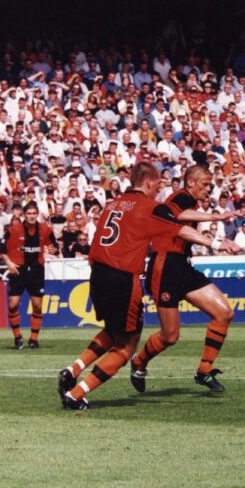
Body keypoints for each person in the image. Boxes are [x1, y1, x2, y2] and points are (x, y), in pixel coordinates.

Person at [56, 162, 223, 410]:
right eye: (157, 185)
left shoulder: (112, 205)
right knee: (126, 347)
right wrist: (214, 243)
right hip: (123, 277)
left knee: (114, 332)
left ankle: (72, 371)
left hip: (98, 274)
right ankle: (76, 394)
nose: (159, 190)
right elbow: (180, 228)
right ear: (147, 183)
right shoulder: (149, 206)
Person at [129, 165, 240, 394]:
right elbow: (176, 215)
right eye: (205, 184)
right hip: (165, 266)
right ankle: (139, 362)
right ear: (191, 183)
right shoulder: (179, 197)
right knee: (170, 336)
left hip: (184, 265)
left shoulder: (191, 203)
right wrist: (216, 216)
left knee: (224, 313)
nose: (208, 189)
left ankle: (204, 371)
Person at [0, 201, 59, 349]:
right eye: (29, 214)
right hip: (18, 270)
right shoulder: (13, 230)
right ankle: (18, 337)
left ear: (37, 214)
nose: (31, 216)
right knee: (12, 305)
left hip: (37, 271)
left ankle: (33, 339)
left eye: (34, 213)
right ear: (24, 215)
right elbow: (1, 250)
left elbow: (55, 247)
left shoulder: (45, 229)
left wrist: (54, 250)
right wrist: (9, 264)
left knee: (37, 306)